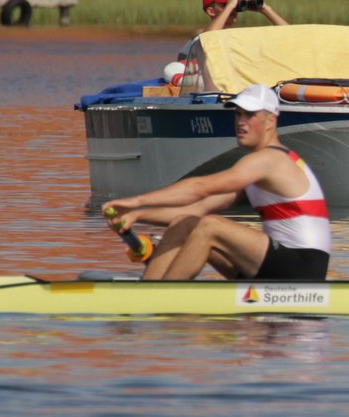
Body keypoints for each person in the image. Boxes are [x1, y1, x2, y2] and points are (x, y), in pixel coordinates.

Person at [104, 85, 331, 281]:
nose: (241, 122)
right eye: (238, 114)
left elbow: (199, 188)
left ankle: (165, 296)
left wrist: (135, 201)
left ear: (271, 120)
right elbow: (196, 207)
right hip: (276, 265)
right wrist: (137, 214)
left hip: (303, 266)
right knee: (186, 222)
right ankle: (149, 292)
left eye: (249, 115)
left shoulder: (270, 159)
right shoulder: (257, 169)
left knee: (209, 226)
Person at [199, 0, 289, 33]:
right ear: (211, 11)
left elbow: (290, 35)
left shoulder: (239, 37)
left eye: (235, 3)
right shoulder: (199, 38)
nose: (234, 8)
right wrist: (229, 7)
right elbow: (209, 38)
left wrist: (265, 9)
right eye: (225, 4)